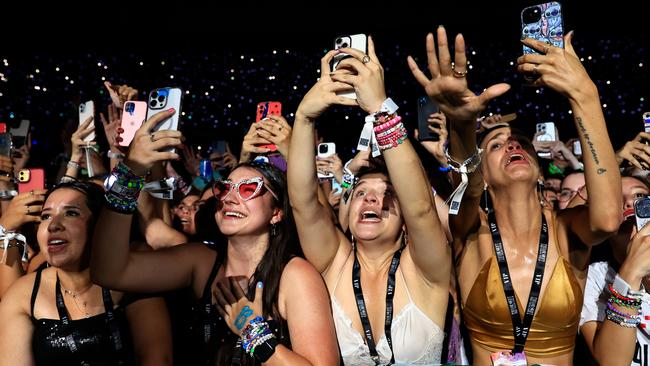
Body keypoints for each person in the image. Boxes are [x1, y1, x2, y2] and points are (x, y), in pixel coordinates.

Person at [407, 27, 622, 365]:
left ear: (538, 169)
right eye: (496, 145)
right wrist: (463, 126)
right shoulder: (470, 230)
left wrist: (585, 96)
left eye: (520, 142)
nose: (511, 144)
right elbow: (468, 188)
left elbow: (609, 217)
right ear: (486, 175)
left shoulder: (567, 230)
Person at [90, 110, 338, 365]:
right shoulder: (202, 262)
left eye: (248, 188)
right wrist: (130, 172)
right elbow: (108, 271)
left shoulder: (295, 275)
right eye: (224, 188)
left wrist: (253, 332)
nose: (230, 197)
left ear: (276, 213)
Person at [289, 37, 451, 365]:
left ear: (404, 220)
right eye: (361, 192)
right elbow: (304, 203)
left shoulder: (425, 269)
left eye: (388, 193)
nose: (372, 199)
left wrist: (380, 109)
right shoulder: (332, 262)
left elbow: (421, 208)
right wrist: (304, 117)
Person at [0, 181, 172, 365]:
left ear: (102, 226)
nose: (53, 225)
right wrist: (4, 230)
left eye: (71, 213)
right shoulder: (22, 294)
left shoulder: (134, 274)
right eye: (46, 216)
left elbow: (157, 358)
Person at [580, 175, 650, 366]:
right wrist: (632, 271)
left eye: (640, 196)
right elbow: (612, 362)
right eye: (616, 200)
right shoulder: (593, 278)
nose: (629, 202)